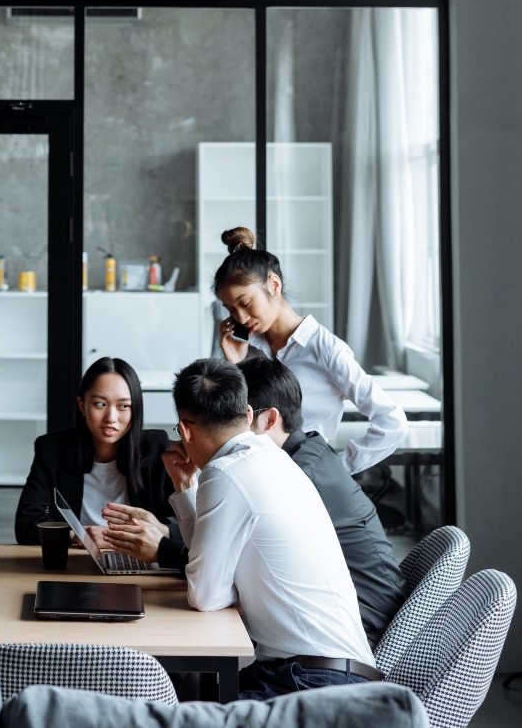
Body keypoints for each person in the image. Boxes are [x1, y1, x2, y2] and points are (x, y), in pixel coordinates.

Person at [165, 357, 381, 700]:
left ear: (186, 429)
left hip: (314, 684)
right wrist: (185, 486)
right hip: (338, 673)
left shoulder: (225, 473)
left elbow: (205, 595)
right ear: (249, 416)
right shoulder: (275, 457)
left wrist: (228, 591)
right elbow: (208, 578)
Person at [239, 357, 408, 644]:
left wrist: (167, 546)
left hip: (360, 630)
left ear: (269, 419)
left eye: (236, 419)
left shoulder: (298, 474)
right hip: (351, 615)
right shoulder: (305, 454)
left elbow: (239, 547)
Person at [215, 227, 407, 474]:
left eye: (245, 303)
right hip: (256, 474)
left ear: (274, 285)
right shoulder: (246, 349)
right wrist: (236, 365)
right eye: (231, 309)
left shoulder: (326, 350)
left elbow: (393, 422)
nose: (240, 316)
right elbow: (235, 425)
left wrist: (336, 468)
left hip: (306, 480)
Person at [14, 356, 174, 547]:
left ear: (135, 410)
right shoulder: (52, 449)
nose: (111, 418)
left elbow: (183, 525)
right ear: (82, 405)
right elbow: (26, 526)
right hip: (77, 557)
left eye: (123, 406)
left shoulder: (157, 448)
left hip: (140, 558)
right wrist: (79, 536)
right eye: (100, 404)